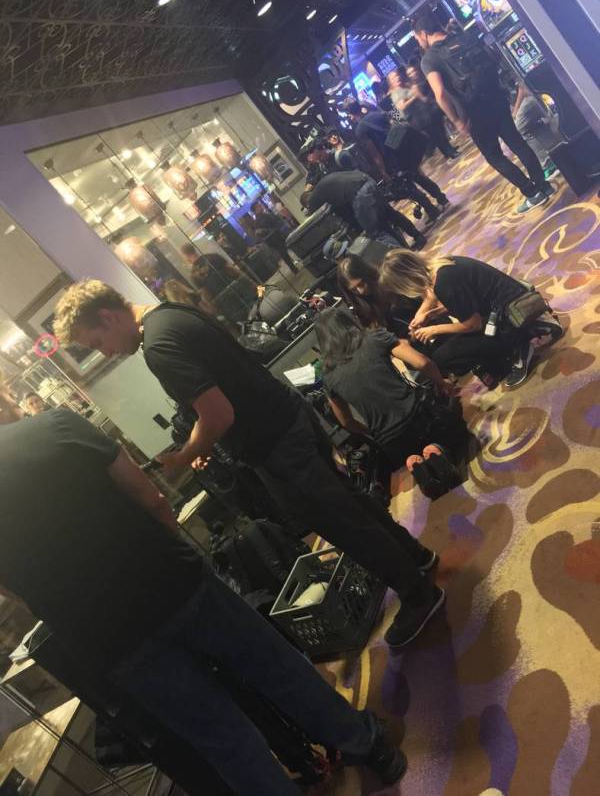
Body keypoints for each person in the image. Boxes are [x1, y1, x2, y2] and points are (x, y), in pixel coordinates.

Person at [0, 407, 408, 796]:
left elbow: (14, 593)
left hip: (110, 640)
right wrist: (170, 555)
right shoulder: (55, 427)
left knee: (221, 738)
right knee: (274, 668)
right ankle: (366, 746)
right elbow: (152, 499)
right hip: (172, 581)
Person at [53, 281, 446, 650]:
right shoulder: (172, 313)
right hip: (287, 415)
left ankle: (418, 594)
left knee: (341, 521)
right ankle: (415, 557)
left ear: (108, 317)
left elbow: (218, 414)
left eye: (97, 343)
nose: (106, 353)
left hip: (272, 443)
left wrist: (183, 456)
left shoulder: (158, 346)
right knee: (348, 500)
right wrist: (204, 438)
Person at [412, 11, 553, 214]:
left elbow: (440, 94)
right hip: (496, 96)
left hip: (473, 112)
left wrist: (456, 121)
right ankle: (543, 185)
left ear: (423, 33)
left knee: (494, 156)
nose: (419, 42)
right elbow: (493, 56)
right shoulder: (464, 37)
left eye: (417, 38)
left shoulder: (430, 59)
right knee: (517, 142)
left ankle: (532, 193)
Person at [379, 249, 563, 389]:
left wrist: (433, 329)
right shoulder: (441, 265)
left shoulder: (444, 283)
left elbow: (474, 325)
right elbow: (445, 298)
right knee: (448, 345)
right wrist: (425, 314)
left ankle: (518, 345)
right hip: (508, 304)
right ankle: (533, 326)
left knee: (442, 357)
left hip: (508, 315)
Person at [314, 307, 464, 470]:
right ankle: (439, 449)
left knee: (408, 453)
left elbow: (346, 422)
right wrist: (442, 383)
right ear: (350, 321)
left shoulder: (328, 376)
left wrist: (373, 432)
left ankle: (419, 463)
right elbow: (422, 362)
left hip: (392, 442)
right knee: (456, 419)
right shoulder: (375, 337)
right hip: (419, 418)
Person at [344, 98, 449, 224]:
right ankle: (441, 198)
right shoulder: (376, 114)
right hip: (402, 150)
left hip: (391, 159)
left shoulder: (360, 130)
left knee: (408, 186)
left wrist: (383, 172)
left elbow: (374, 152)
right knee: (419, 176)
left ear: (350, 114)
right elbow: (395, 123)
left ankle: (431, 210)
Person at [337, 253, 451, 353]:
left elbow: (430, 295)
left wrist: (420, 314)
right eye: (354, 289)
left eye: (361, 284)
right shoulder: (358, 307)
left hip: (436, 328)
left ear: (367, 274)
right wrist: (403, 341)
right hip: (414, 346)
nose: (360, 291)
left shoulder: (388, 278)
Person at [300, 169, 427, 250]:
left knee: (376, 233)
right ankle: (417, 238)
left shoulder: (312, 200)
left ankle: (404, 260)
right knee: (388, 215)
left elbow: (315, 218)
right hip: (367, 181)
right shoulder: (322, 186)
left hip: (360, 194)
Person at [398, 64, 459, 160]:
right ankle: (449, 151)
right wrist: (417, 96)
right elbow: (405, 105)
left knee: (439, 132)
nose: (413, 74)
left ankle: (448, 151)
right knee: (437, 134)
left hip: (428, 112)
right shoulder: (405, 89)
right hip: (421, 116)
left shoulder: (419, 82)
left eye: (413, 71)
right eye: (409, 73)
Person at [179, 242, 256, 306]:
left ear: (186, 255)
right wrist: (251, 282)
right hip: (241, 290)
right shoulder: (213, 256)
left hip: (228, 304)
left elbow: (206, 295)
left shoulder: (193, 275)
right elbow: (234, 271)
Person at [512, 83, 561, 181]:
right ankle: (555, 153)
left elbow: (522, 88)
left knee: (519, 130)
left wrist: (515, 111)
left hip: (528, 98)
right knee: (534, 125)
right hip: (532, 96)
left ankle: (548, 163)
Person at [251, 202, 299, 274]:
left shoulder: (259, 219)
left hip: (272, 238)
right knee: (284, 251)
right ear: (256, 209)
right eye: (259, 206)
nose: (261, 206)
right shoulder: (262, 218)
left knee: (283, 251)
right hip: (274, 237)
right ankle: (293, 267)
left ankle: (293, 267)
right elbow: (273, 223)